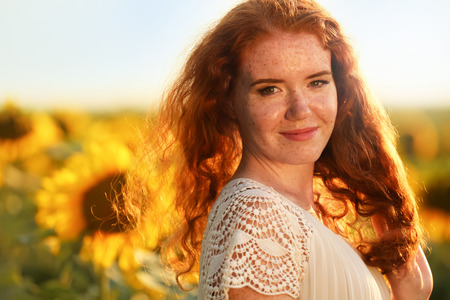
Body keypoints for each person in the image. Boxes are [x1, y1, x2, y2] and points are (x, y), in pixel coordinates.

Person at [123, 0, 433, 299]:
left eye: (317, 83)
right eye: (270, 89)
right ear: (227, 101)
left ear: (340, 88)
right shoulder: (261, 219)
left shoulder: (299, 209)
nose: (300, 109)